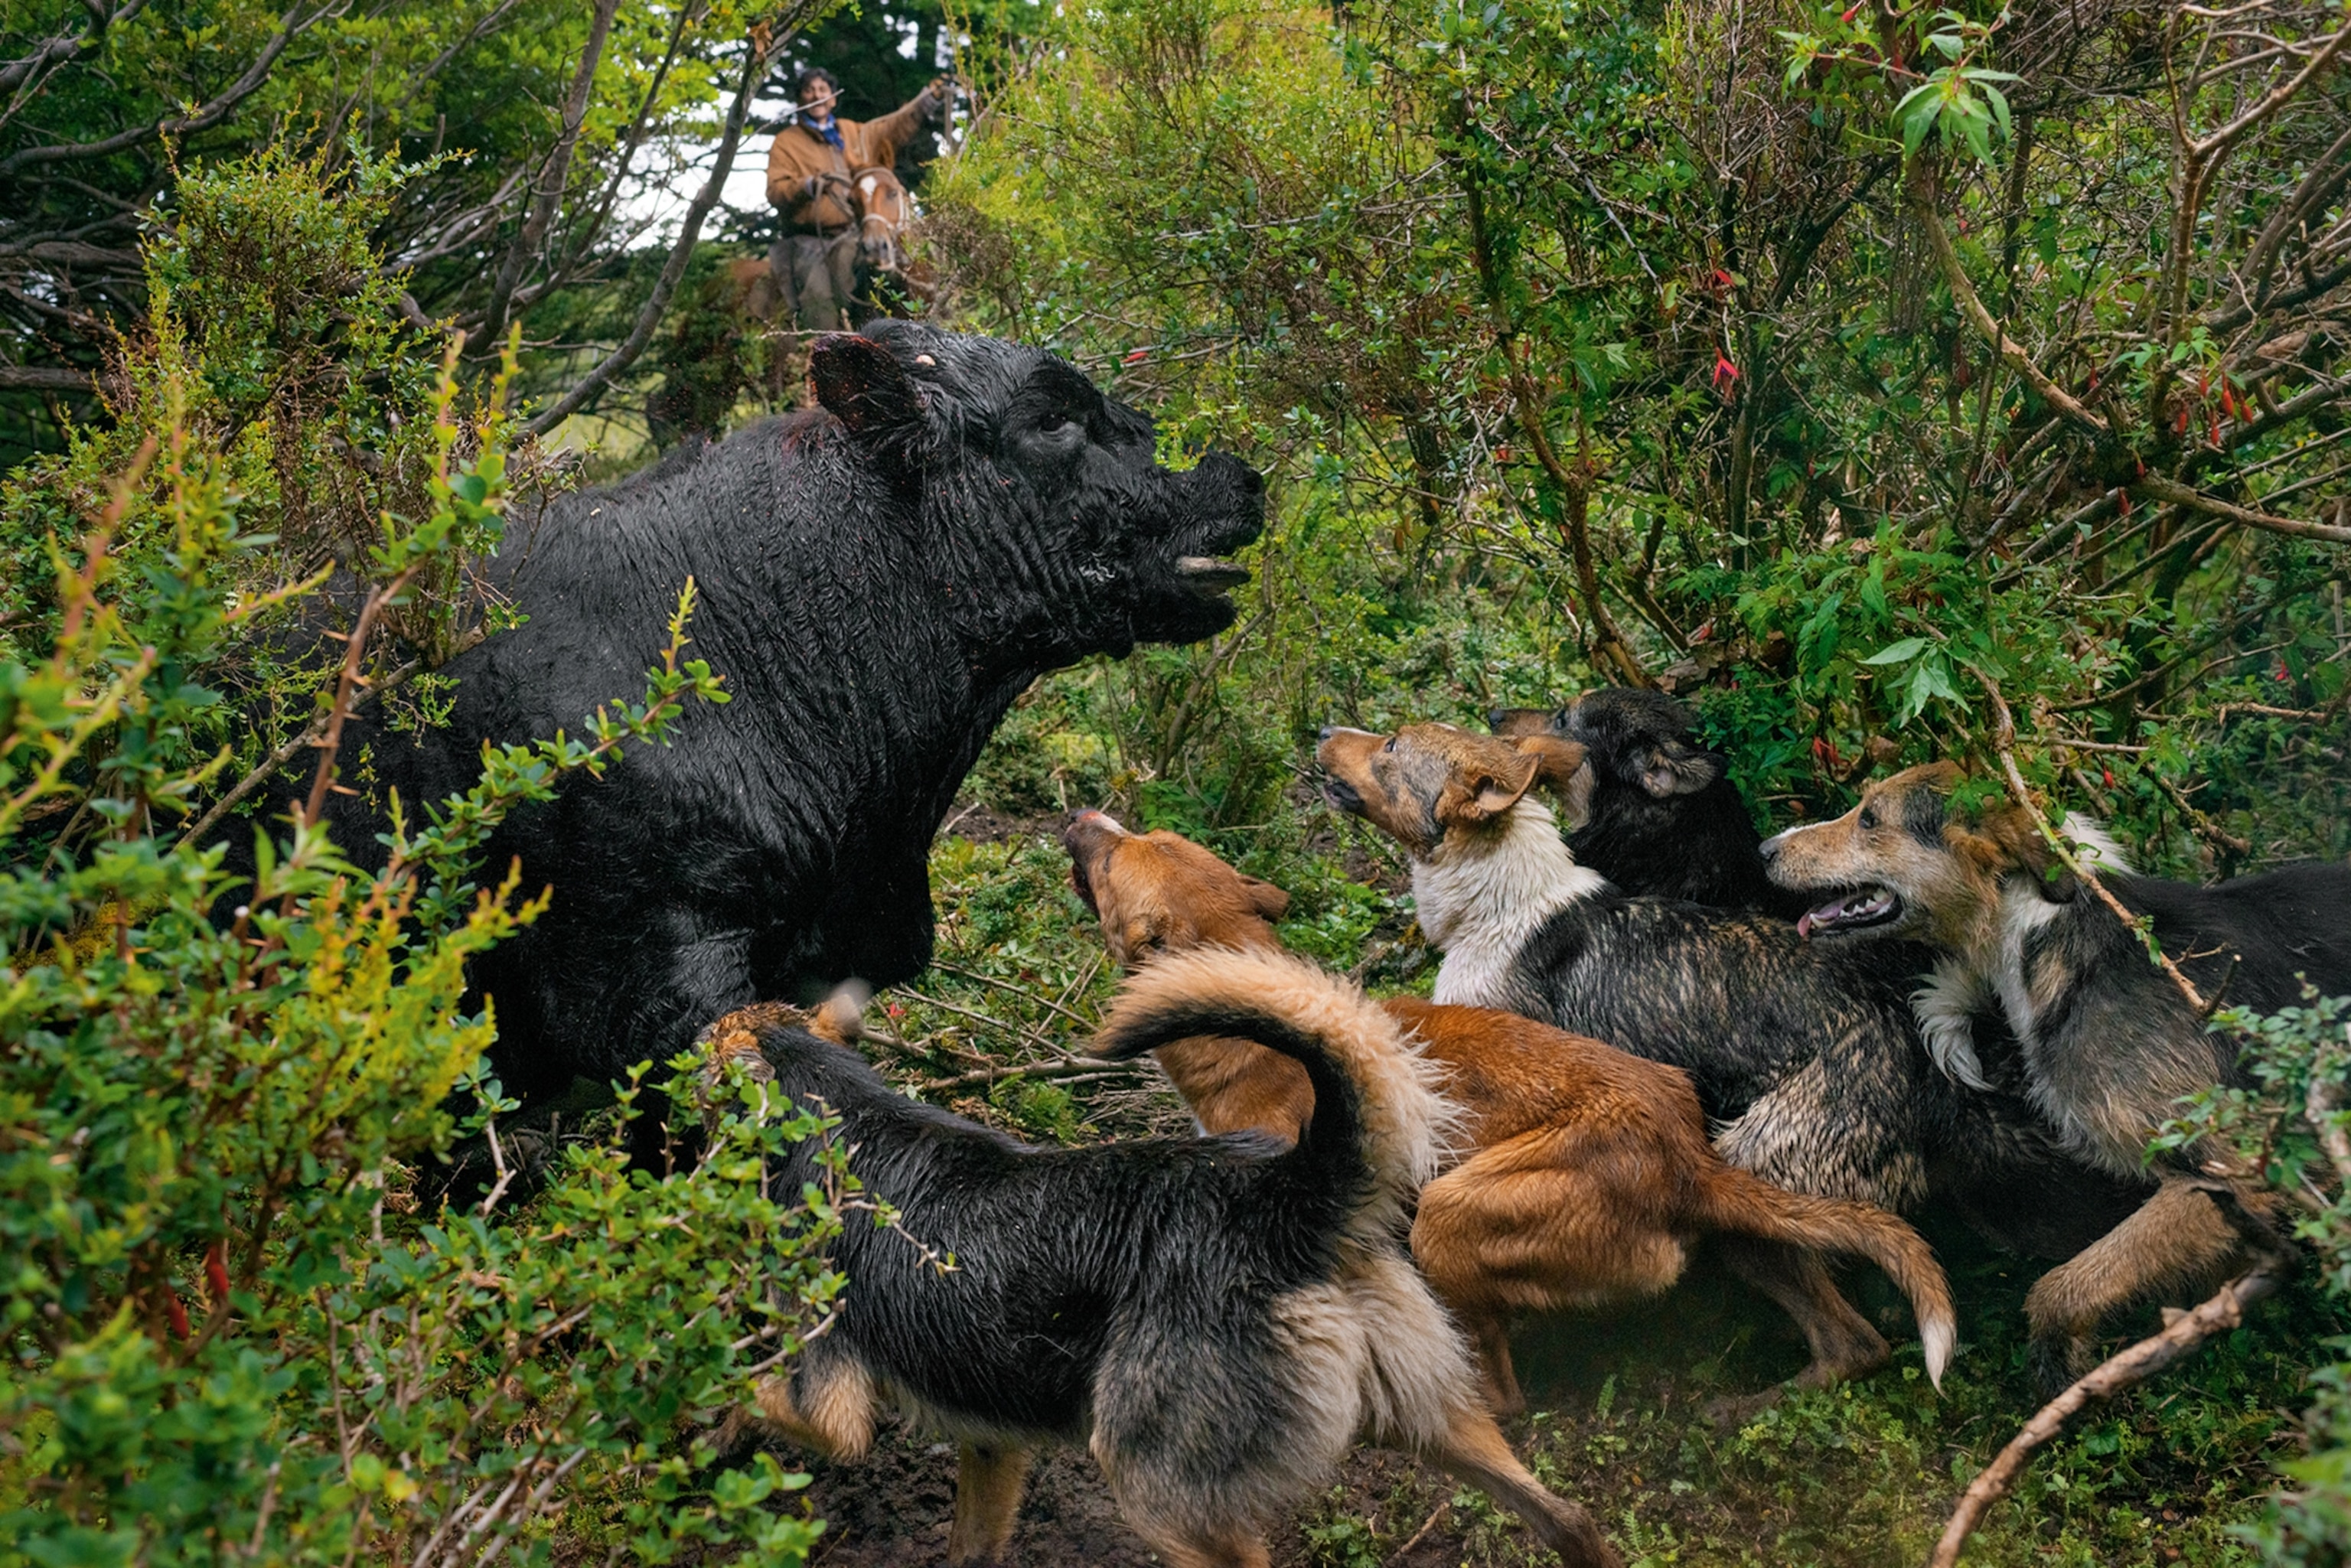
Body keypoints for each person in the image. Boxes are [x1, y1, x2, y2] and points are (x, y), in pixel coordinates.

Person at [764, 67, 950, 328]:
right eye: (808, 90)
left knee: (901, 275)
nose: (815, 95)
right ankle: (816, 355)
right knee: (819, 302)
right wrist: (806, 185)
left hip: (856, 233)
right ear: (800, 99)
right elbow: (774, 190)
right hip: (811, 241)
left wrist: (927, 100)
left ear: (833, 99)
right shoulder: (787, 142)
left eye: (822, 90)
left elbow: (893, 127)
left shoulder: (851, 131)